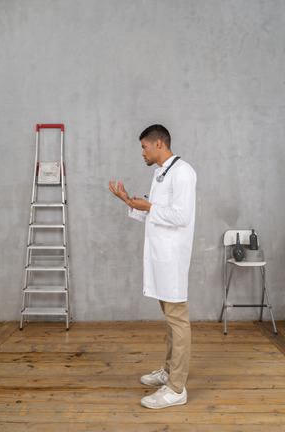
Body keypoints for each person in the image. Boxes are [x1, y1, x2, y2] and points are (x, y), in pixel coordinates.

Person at [109, 124, 196, 409]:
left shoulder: (183, 172)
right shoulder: (161, 174)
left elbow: (181, 216)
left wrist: (149, 207)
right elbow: (156, 216)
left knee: (178, 320)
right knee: (170, 319)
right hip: (161, 258)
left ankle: (177, 388)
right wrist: (129, 202)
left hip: (172, 259)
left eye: (144, 147)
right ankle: (170, 372)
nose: (142, 153)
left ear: (158, 143)